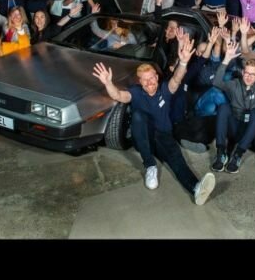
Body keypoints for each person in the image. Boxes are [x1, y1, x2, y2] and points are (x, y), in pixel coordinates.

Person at [91, 39, 217, 205]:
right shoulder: (136, 92)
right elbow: (118, 96)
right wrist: (108, 83)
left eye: (152, 78)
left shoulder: (165, 89)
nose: (149, 82)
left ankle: (196, 188)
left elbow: (176, 79)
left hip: (164, 136)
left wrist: (183, 62)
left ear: (157, 77)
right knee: (138, 116)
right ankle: (150, 166)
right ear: (140, 82)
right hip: (144, 137)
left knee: (177, 160)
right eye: (145, 80)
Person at [211, 40, 255, 174]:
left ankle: (238, 155)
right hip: (234, 126)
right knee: (223, 107)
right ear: (242, 72)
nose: (249, 77)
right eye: (247, 73)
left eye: (253, 74)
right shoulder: (235, 84)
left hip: (249, 131)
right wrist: (226, 59)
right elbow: (216, 82)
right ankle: (221, 153)